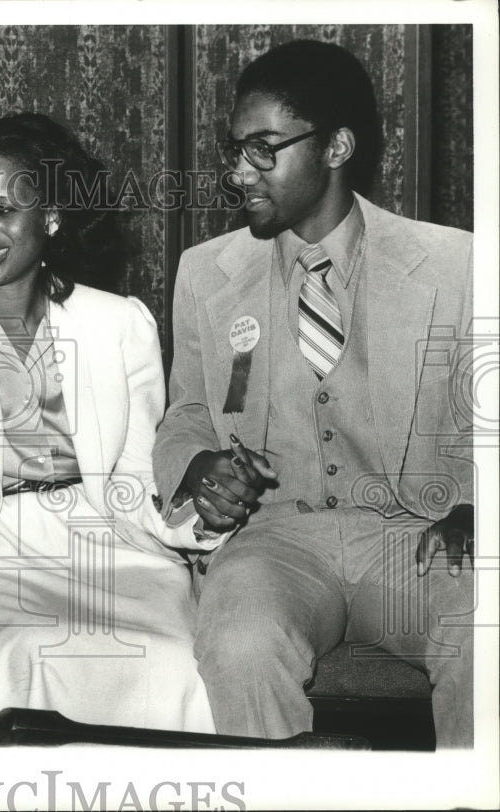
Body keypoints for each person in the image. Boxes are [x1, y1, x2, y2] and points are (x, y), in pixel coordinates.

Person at [0, 112, 225, 742]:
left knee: (162, 665)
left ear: (51, 217)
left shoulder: (119, 325)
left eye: (4, 209)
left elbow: (136, 475)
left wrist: (197, 513)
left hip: (105, 549)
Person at [153, 40, 474, 747]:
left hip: (414, 539)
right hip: (277, 544)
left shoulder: (460, 265)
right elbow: (186, 416)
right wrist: (199, 469)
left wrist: (480, 507)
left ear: (337, 146)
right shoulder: (206, 273)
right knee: (238, 643)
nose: (240, 172)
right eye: (236, 149)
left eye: (265, 149)